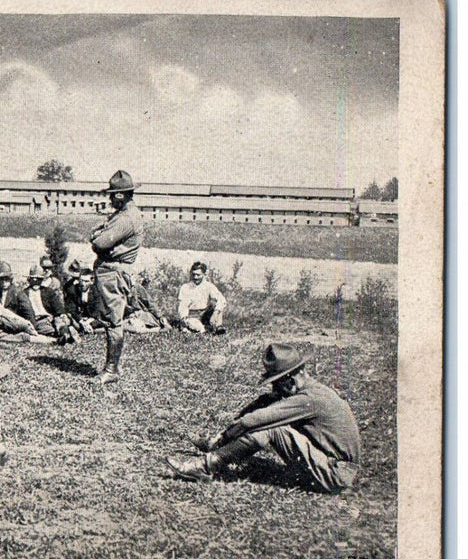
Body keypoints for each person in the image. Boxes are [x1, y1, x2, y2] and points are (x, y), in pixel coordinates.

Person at [166, 343, 361, 493]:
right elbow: (264, 407)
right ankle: (213, 448)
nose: (275, 388)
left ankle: (205, 466)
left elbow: (252, 421)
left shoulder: (309, 400)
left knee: (271, 429)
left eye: (277, 383)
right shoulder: (312, 392)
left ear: (290, 380)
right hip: (334, 466)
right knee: (267, 401)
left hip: (336, 475)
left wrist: (223, 437)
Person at [90, 169, 144, 384]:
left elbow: (99, 242)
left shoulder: (126, 218)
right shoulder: (122, 215)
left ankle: (111, 370)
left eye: (112, 194)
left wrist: (97, 237)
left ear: (120, 195)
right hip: (110, 271)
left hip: (114, 272)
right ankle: (111, 368)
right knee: (110, 320)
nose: (110, 198)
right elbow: (98, 234)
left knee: (113, 322)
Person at [13, 265, 78, 344]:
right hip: (38, 320)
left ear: (42, 280)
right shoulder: (24, 293)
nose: (36, 282)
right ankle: (63, 334)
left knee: (59, 321)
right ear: (29, 280)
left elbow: (57, 306)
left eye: (39, 279)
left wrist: (60, 315)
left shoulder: (48, 291)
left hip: (50, 317)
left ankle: (64, 332)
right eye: (34, 279)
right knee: (44, 328)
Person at [177, 262, 227, 334]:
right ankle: (204, 329)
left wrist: (215, 313)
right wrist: (184, 318)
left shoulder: (209, 286)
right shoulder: (185, 287)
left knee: (218, 307)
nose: (195, 277)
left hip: (205, 313)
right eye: (193, 274)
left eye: (198, 275)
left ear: (204, 275)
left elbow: (221, 299)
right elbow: (182, 306)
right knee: (197, 326)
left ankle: (218, 327)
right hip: (192, 314)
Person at [63, 265, 106, 334]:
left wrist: (87, 322)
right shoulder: (73, 290)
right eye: (81, 281)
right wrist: (81, 321)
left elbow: (98, 311)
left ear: (92, 281)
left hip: (93, 318)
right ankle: (86, 330)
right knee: (68, 320)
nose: (83, 284)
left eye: (86, 281)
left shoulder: (96, 292)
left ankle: (85, 330)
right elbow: (71, 309)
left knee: (101, 323)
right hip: (80, 318)